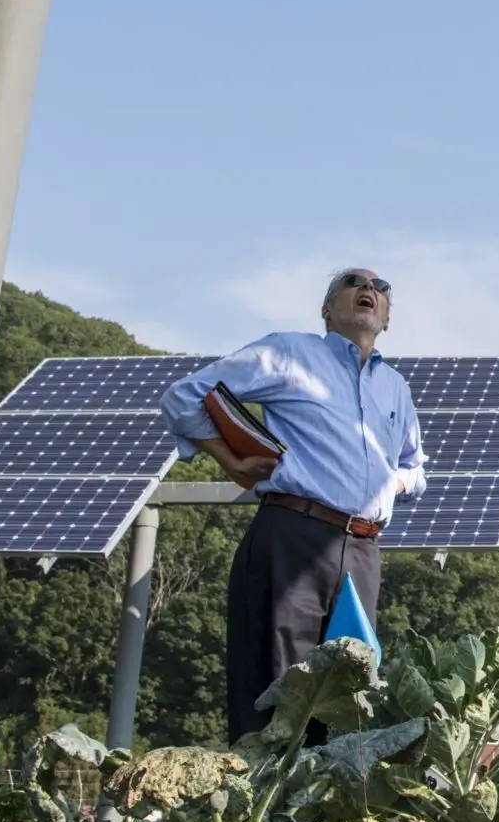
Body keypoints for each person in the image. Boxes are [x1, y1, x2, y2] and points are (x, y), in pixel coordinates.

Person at [161, 268, 423, 741]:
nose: (369, 289)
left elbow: (414, 466)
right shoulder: (288, 353)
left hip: (362, 553)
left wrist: (393, 485)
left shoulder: (395, 388)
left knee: (350, 698)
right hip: (293, 535)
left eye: (381, 289)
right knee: (279, 693)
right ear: (326, 309)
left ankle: (325, 814)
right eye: (353, 282)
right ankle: (270, 807)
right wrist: (230, 461)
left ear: (387, 319)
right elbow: (184, 395)